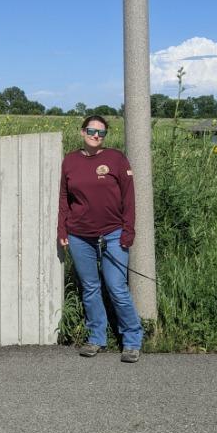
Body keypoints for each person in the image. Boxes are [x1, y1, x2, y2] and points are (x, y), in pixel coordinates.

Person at [58, 115, 144, 362]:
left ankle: (132, 339)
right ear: (82, 132)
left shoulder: (116, 159)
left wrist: (129, 231)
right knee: (91, 288)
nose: (96, 136)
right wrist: (62, 230)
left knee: (117, 287)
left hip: (113, 233)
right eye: (92, 131)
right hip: (79, 235)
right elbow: (64, 199)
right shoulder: (70, 161)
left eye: (101, 133)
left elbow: (129, 198)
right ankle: (96, 338)